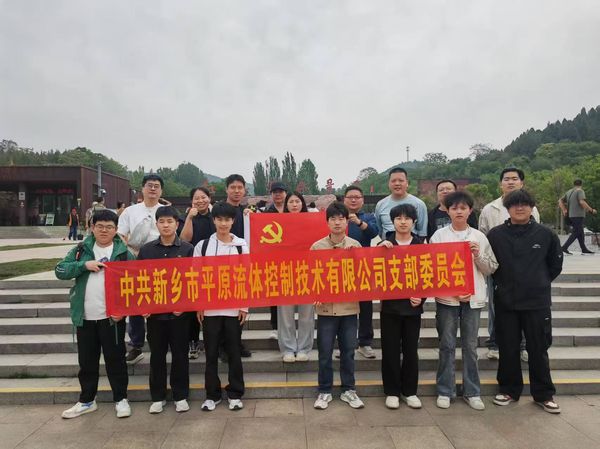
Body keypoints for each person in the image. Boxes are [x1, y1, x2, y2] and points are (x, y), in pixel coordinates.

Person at [488, 189, 563, 414]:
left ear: (532, 207)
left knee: (538, 348)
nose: (519, 208)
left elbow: (555, 266)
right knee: (508, 348)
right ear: (507, 208)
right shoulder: (496, 235)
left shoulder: (546, 234)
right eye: (514, 204)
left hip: (537, 302)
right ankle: (509, 390)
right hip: (506, 301)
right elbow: (490, 265)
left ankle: (544, 394)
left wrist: (538, 282)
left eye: (524, 204)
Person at [55, 209, 134, 419]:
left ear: (116, 230)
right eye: (100, 226)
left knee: (116, 361)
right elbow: (60, 270)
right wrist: (84, 265)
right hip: (85, 317)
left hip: (112, 319)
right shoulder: (81, 250)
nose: (104, 230)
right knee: (87, 362)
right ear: (92, 227)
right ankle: (87, 401)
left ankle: (121, 399)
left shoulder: (124, 254)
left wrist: (124, 310)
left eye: (109, 227)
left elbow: (135, 286)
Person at [430, 191, 498, 410]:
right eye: (454, 208)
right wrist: (452, 290)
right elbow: (432, 269)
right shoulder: (439, 236)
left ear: (470, 211)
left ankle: (472, 391)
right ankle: (445, 390)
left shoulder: (479, 237)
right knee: (446, 345)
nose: (459, 212)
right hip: (446, 300)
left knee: (470, 346)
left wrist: (477, 255)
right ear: (448, 211)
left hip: (473, 299)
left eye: (463, 208)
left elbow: (490, 269)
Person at [479, 167, 540, 362]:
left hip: (525, 269)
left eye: (515, 179)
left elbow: (536, 235)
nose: (511, 182)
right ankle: (495, 343)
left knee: (525, 307)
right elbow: (483, 237)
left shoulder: (532, 209)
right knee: (495, 307)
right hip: (497, 267)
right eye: (506, 179)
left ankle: (523, 346)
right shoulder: (489, 209)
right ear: (501, 184)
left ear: (522, 183)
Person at [137, 206, 194, 414]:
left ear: (177, 224)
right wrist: (143, 305)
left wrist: (185, 304)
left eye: (170, 221)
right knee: (157, 356)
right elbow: (139, 280)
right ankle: (158, 396)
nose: (166, 225)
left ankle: (180, 395)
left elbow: (193, 280)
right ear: (157, 224)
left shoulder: (187, 249)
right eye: (162, 222)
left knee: (180, 355)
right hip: (155, 315)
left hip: (180, 315)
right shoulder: (146, 250)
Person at [195, 202, 249, 412]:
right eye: (220, 219)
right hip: (210, 309)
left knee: (234, 352)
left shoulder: (241, 245)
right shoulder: (203, 246)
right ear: (214, 220)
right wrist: (199, 305)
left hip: (234, 308)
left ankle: (235, 393)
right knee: (211, 353)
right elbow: (196, 277)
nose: (224, 223)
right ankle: (212, 395)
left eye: (227, 219)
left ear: (233, 221)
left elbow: (246, 276)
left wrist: (244, 306)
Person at [312, 202, 365, 410]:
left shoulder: (355, 245)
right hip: (326, 309)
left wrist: (355, 257)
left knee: (348, 352)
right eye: (333, 219)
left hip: (349, 309)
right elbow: (311, 276)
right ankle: (324, 390)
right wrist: (315, 294)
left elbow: (364, 276)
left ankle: (348, 390)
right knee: (325, 352)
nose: (337, 222)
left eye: (341, 219)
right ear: (327, 222)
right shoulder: (317, 247)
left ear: (346, 222)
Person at [377, 204, 425, 410]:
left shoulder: (421, 245)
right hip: (390, 307)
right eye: (398, 218)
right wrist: (380, 250)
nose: (403, 222)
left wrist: (421, 297)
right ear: (393, 221)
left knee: (411, 350)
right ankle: (392, 391)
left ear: (414, 221)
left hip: (413, 307)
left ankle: (409, 391)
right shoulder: (384, 244)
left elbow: (428, 274)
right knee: (390, 350)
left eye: (407, 218)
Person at [117, 174, 164, 365]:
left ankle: (160, 343)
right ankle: (136, 345)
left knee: (160, 300)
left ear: (161, 191)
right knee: (136, 302)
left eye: (156, 186)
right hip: (136, 260)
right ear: (142, 189)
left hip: (161, 261)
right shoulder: (130, 211)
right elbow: (120, 234)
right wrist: (131, 253)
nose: (153, 189)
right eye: (149, 185)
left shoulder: (165, 211)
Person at [277, 191, 315, 362]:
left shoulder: (312, 222)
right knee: (285, 314)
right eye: (291, 201)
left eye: (297, 201)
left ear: (302, 204)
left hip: (307, 273)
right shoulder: (277, 223)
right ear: (286, 205)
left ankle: (304, 348)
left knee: (307, 314)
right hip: (285, 272)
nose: (294, 204)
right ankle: (288, 348)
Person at [343, 185, 379, 359]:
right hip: (341, 268)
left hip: (363, 267)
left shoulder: (369, 217)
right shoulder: (338, 217)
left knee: (365, 307)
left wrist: (358, 222)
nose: (353, 200)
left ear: (362, 200)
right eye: (350, 197)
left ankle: (365, 343)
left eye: (357, 197)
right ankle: (345, 343)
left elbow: (374, 233)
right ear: (344, 200)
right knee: (344, 308)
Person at [180, 186, 216, 359]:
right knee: (193, 306)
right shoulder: (187, 217)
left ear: (209, 198)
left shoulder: (215, 215)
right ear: (191, 201)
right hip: (194, 266)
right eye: (197, 198)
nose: (200, 201)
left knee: (212, 306)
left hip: (215, 266)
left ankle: (213, 343)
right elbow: (184, 239)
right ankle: (192, 341)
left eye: (203, 197)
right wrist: (189, 217)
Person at [224, 174, 252, 358]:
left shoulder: (246, 213)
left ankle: (236, 343)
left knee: (240, 307)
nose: (236, 191)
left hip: (241, 267)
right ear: (226, 189)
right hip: (221, 266)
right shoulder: (219, 211)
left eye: (240, 188)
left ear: (244, 190)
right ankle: (223, 347)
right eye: (233, 187)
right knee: (222, 309)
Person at [262, 181, 288, 339]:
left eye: (280, 191)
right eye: (275, 192)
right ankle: (276, 327)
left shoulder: (292, 210)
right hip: (273, 260)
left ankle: (291, 329)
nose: (278, 194)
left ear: (285, 193)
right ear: (271, 195)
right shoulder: (266, 213)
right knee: (274, 294)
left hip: (292, 259)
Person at [375, 167, 428, 239]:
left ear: (407, 183)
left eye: (401, 180)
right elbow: (380, 230)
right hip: (387, 244)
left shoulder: (419, 204)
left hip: (411, 244)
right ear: (389, 184)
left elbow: (422, 232)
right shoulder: (380, 205)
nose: (397, 183)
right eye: (393, 181)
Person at [559, 179, 597, 255]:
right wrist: (591, 210)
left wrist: (564, 210)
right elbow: (582, 202)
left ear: (574, 184)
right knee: (576, 232)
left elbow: (560, 201)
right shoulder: (580, 191)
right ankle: (564, 247)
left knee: (580, 232)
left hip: (571, 215)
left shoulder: (569, 192)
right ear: (581, 184)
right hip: (578, 215)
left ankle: (584, 249)